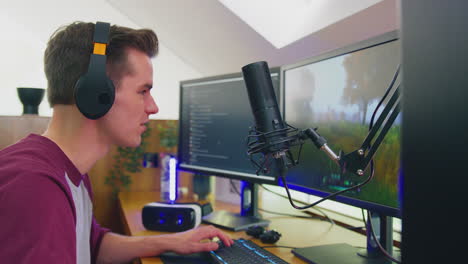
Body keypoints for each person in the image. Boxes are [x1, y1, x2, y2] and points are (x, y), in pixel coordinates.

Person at [0, 21, 233, 263]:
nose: (153, 107)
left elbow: (92, 245)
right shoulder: (35, 187)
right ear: (96, 95)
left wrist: (170, 242)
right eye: (143, 91)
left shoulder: (67, 171)